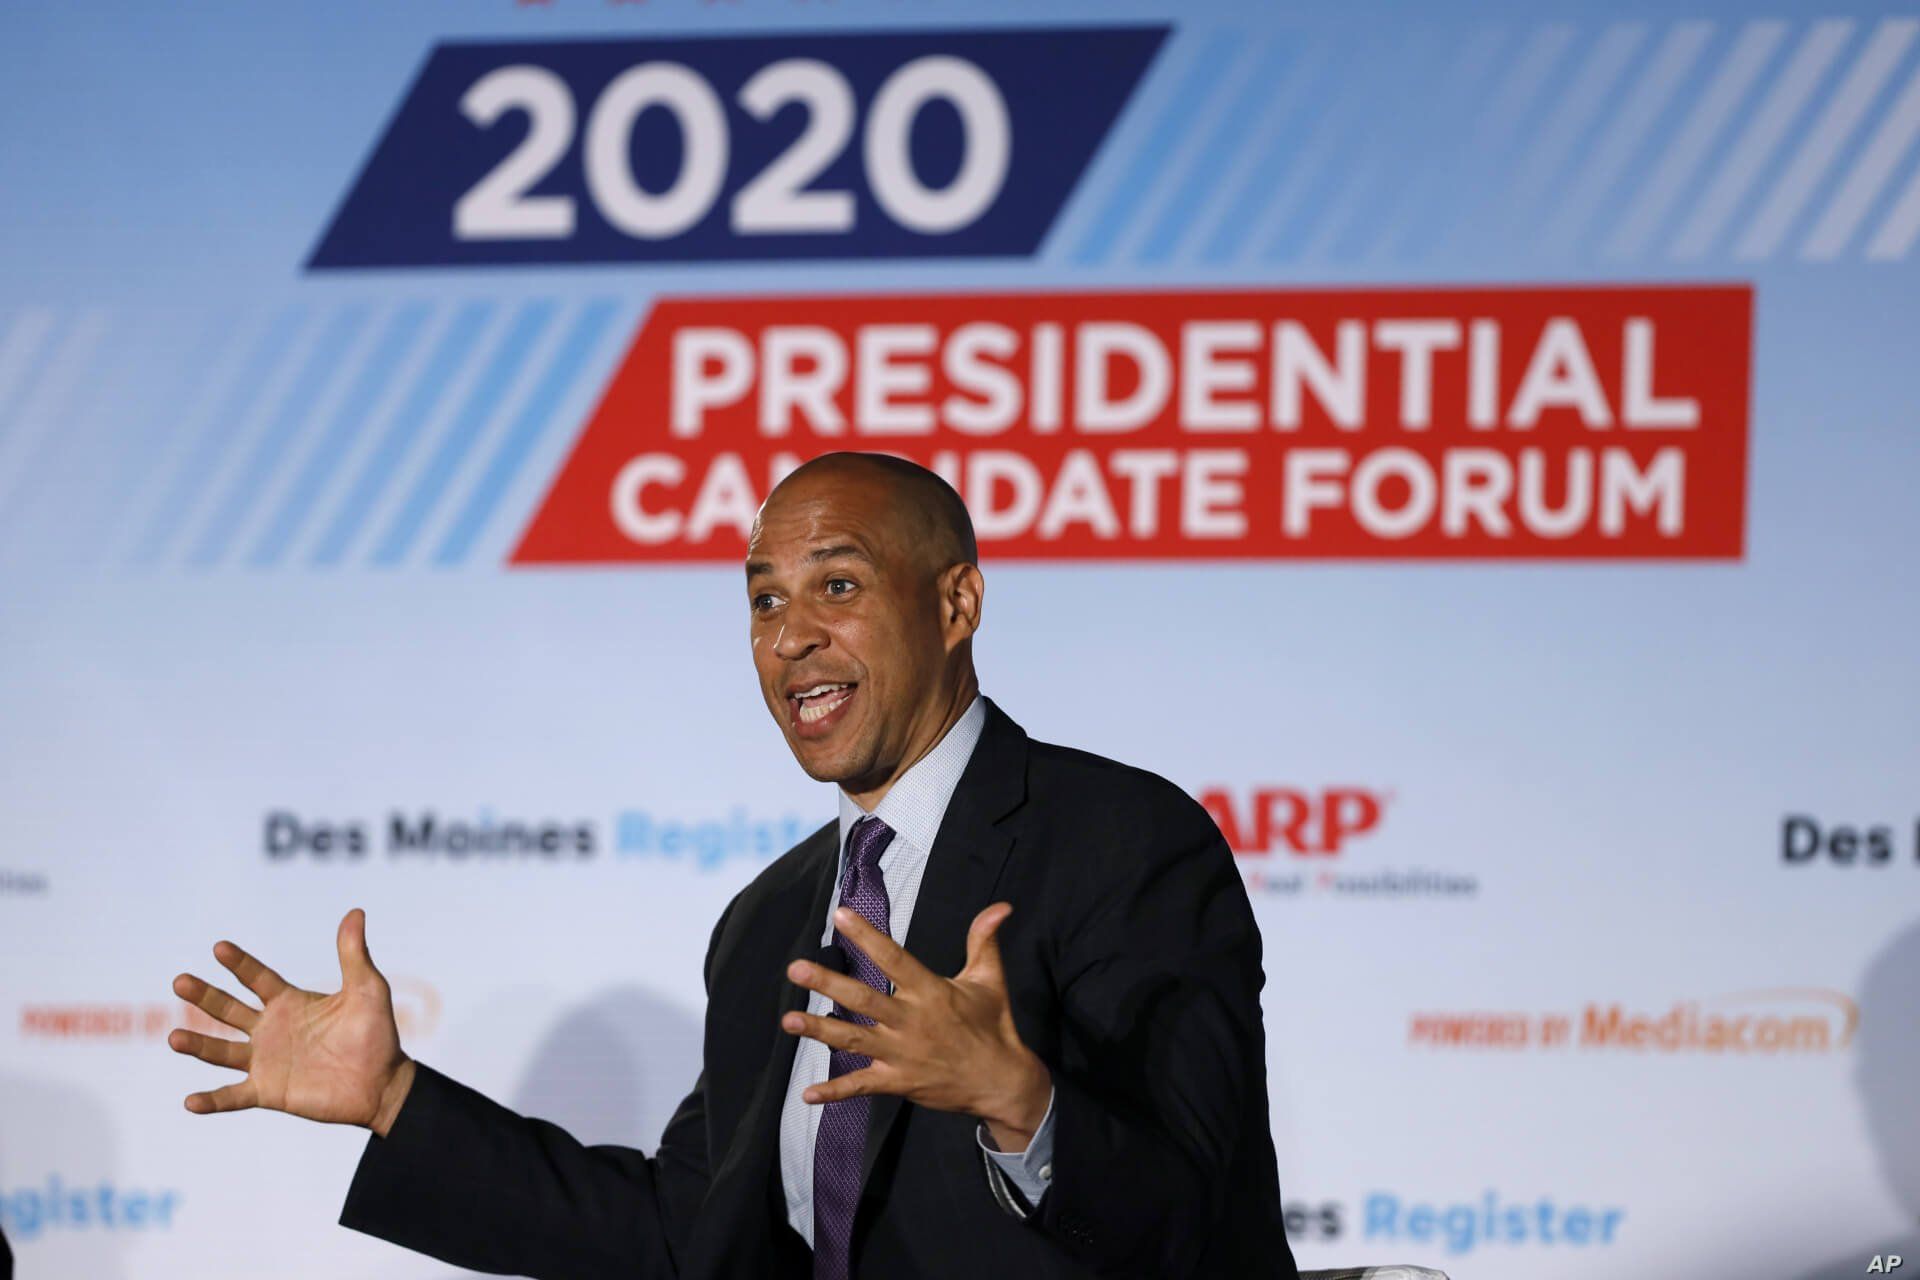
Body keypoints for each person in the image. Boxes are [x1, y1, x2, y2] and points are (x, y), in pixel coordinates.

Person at [165, 452, 1300, 1279]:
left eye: (838, 586)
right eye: (763, 599)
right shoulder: (769, 921)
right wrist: (396, 1101)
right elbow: (684, 1230)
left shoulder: (1125, 841)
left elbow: (1196, 1222)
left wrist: (1020, 1101)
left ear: (956, 601)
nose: (790, 634)